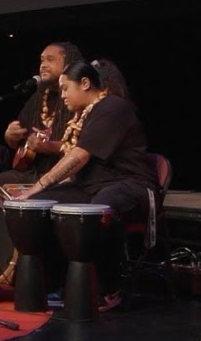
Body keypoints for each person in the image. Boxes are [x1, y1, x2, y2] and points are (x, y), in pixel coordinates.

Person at [15, 59, 158, 303]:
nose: (62, 96)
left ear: (84, 83)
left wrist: (37, 185)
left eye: (65, 89)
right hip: (92, 187)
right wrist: (38, 194)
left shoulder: (113, 107)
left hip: (130, 186)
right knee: (39, 206)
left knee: (97, 210)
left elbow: (79, 156)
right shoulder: (87, 114)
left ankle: (108, 288)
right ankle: (59, 282)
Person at [0, 41, 84, 187]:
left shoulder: (77, 96)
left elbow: (85, 146)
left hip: (67, 174)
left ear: (69, 64)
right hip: (33, 172)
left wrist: (48, 147)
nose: (43, 65)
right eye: (42, 60)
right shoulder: (38, 98)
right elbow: (17, 143)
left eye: (50, 60)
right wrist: (10, 137)